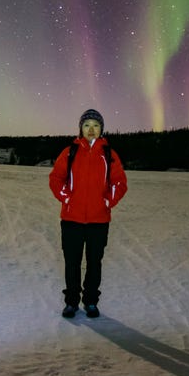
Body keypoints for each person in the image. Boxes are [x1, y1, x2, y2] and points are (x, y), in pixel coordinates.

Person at [49, 109, 128, 318]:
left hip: (98, 220)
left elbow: (120, 183)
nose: (91, 129)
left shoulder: (109, 154)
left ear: (101, 129)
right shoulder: (69, 152)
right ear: (80, 129)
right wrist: (66, 197)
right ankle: (72, 302)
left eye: (95, 125)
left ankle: (91, 301)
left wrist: (108, 200)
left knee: (94, 263)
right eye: (86, 125)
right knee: (72, 262)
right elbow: (56, 178)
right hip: (71, 219)